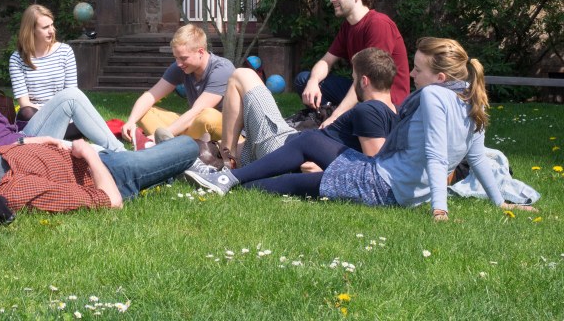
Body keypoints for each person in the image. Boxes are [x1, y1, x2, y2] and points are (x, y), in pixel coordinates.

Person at [188, 37, 539, 222]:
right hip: (382, 178)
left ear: (440, 78)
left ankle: (227, 179)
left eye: (417, 70)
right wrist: (500, 203)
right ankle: (227, 178)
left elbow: (435, 156)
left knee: (271, 184)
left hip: (377, 186)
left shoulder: (433, 96)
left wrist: (439, 209)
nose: (412, 76)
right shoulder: (472, 102)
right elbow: (475, 156)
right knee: (306, 145)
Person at [0, 24, 124, 164]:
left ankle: (121, 154)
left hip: (17, 138)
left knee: (72, 98)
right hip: (10, 149)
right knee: (85, 150)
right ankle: (124, 157)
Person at [0, 131, 199, 212]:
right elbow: (109, 201)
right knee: (188, 146)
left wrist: (26, 142)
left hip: (78, 155)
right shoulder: (18, 191)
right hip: (111, 174)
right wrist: (89, 153)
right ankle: (178, 159)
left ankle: (160, 155)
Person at [217, 47, 398, 170]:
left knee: (241, 75)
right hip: (294, 143)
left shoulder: (369, 112)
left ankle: (229, 161)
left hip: (284, 148)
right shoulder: (395, 113)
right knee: (237, 145)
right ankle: (230, 155)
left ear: (364, 81)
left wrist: (325, 169)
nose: (353, 83)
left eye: (354, 78)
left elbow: (374, 169)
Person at [294, 0, 410, 125]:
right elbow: (326, 61)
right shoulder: (348, 27)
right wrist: (313, 81)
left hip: (386, 103)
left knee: (350, 105)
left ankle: (336, 120)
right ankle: (330, 118)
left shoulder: (378, 24)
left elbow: (369, 80)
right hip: (363, 90)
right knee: (304, 80)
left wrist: (336, 115)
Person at [120, 24, 235, 144]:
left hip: (226, 130)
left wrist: (159, 135)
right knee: (145, 112)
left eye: (183, 58)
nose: (179, 63)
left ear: (200, 51)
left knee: (207, 115)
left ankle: (169, 143)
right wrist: (131, 121)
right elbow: (150, 95)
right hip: (196, 125)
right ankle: (176, 144)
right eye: (176, 58)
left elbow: (197, 111)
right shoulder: (181, 67)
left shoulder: (222, 69)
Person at [8, 4, 81, 139]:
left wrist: (58, 116)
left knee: (82, 122)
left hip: (63, 113)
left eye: (52, 25)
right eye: (45, 27)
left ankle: (44, 136)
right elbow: (24, 103)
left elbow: (71, 93)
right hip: (35, 116)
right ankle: (54, 135)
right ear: (32, 31)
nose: (52, 31)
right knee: (26, 112)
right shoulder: (17, 59)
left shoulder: (65, 52)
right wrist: (48, 118)